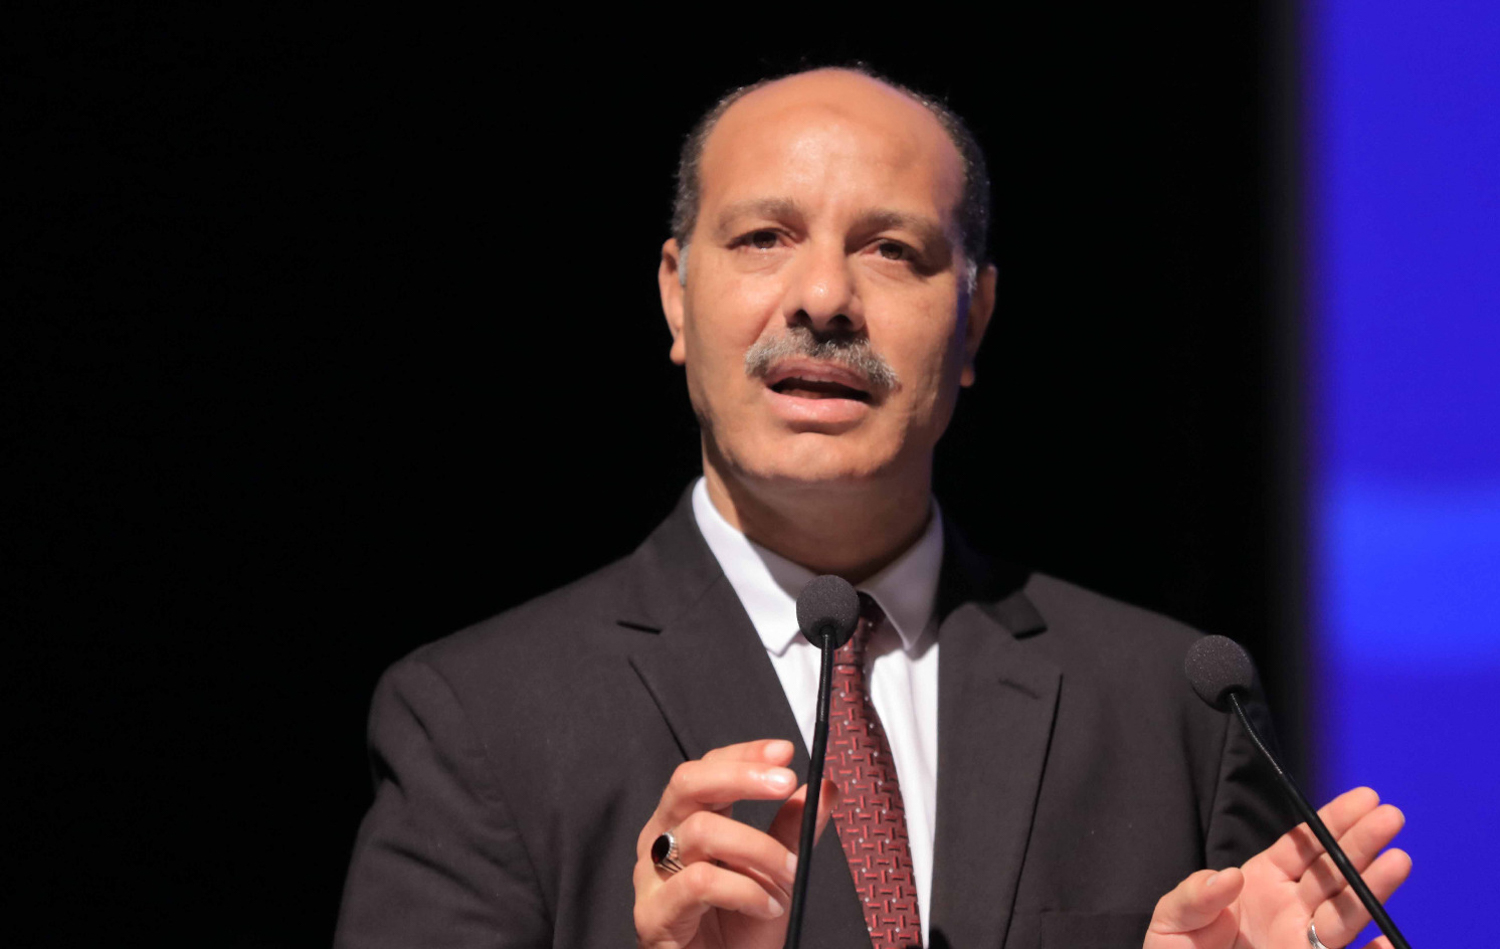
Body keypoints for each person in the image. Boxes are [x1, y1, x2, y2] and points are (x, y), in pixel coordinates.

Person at [334, 66, 1411, 949]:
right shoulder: (480, 719)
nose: (822, 298)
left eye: (892, 250)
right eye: (764, 238)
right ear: (676, 295)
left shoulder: (1173, 706)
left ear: (974, 318)